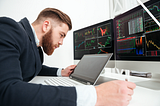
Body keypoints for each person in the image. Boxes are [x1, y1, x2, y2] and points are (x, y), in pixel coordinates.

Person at [0, 8, 136, 106]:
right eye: (61, 35)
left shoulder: (36, 48)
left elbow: (33, 67)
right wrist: (95, 96)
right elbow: (7, 91)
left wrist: (61, 72)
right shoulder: (10, 28)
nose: (61, 42)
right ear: (46, 25)